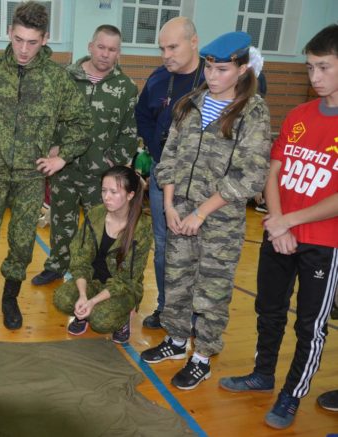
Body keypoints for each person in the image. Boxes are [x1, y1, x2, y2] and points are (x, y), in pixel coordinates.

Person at [219, 24, 338, 429]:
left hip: (323, 243)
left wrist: (289, 221)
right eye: (310, 68)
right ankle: (262, 374)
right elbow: (274, 172)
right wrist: (277, 224)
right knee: (268, 309)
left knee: (310, 325)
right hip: (279, 232)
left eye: (324, 67)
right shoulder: (299, 115)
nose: (315, 77)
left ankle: (292, 394)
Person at [139, 32, 271, 391]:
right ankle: (176, 340)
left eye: (222, 69)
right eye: (210, 68)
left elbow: (250, 174)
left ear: (242, 69)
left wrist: (201, 213)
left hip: (219, 222)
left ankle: (202, 357)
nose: (212, 76)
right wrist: (169, 206)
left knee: (212, 290)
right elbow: (169, 156)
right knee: (176, 280)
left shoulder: (252, 112)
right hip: (179, 213)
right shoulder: (191, 103)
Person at [0, 1, 92, 332]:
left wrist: (62, 157)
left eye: (32, 42)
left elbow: (83, 123)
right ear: (9, 33)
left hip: (31, 177)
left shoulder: (56, 79)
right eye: (18, 40)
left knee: (22, 242)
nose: (24, 50)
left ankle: (10, 298)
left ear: (44, 39)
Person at [32, 24, 138, 286]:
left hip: (100, 176)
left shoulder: (126, 88)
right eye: (101, 47)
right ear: (90, 46)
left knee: (100, 226)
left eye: (111, 49)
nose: (105, 54)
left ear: (118, 53)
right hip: (64, 168)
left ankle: (96, 272)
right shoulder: (66, 77)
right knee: (61, 222)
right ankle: (56, 266)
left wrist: (111, 163)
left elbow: (129, 132)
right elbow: (48, 116)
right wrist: (51, 147)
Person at [135, 17, 205, 329]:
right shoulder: (158, 78)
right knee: (164, 246)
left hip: (202, 182)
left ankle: (197, 313)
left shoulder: (213, 79)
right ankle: (165, 307)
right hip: (164, 175)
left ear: (194, 42)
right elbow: (142, 116)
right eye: (162, 48)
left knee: (200, 249)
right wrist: (159, 155)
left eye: (173, 47)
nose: (166, 55)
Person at [53, 166, 152, 343]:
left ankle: (123, 318)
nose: (106, 197)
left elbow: (126, 280)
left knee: (100, 320)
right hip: (93, 280)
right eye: (104, 190)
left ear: (130, 195)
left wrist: (92, 302)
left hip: (122, 288)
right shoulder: (96, 214)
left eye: (114, 192)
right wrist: (83, 296)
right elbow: (80, 258)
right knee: (62, 299)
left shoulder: (142, 228)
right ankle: (85, 312)